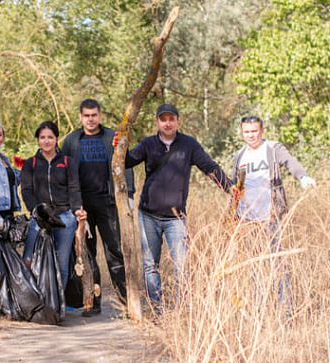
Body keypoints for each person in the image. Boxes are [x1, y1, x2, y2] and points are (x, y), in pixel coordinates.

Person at [124, 104, 233, 314]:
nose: (167, 123)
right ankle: (158, 311)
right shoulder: (148, 144)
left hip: (176, 218)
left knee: (182, 266)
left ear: (177, 121)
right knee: (150, 265)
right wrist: (120, 146)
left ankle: (181, 311)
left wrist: (229, 187)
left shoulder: (189, 145)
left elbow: (209, 167)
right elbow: (128, 161)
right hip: (148, 214)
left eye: (171, 119)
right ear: (157, 122)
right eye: (163, 119)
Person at [232, 115, 316, 308]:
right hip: (247, 220)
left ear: (261, 131)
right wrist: (233, 213)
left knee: (277, 264)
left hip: (270, 217)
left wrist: (303, 177)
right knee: (254, 266)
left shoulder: (272, 149)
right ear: (242, 132)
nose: (251, 135)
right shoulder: (240, 155)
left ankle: (286, 310)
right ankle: (259, 310)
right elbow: (234, 186)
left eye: (254, 131)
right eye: (247, 132)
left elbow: (289, 162)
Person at [61, 99, 134, 317]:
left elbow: (125, 164)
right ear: (81, 117)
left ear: (99, 115)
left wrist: (127, 194)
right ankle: (92, 303)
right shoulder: (72, 141)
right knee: (87, 255)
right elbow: (64, 173)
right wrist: (71, 205)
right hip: (83, 208)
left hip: (108, 203)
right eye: (86, 115)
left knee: (115, 252)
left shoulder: (112, 137)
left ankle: (125, 303)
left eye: (94, 115)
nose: (90, 119)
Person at [20, 121, 87, 289]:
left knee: (61, 262)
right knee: (29, 258)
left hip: (64, 216)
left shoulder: (67, 161)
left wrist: (77, 210)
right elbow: (27, 191)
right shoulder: (30, 164)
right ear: (38, 140)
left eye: (50, 137)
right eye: (42, 137)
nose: (46, 141)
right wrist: (37, 211)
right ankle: (32, 299)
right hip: (39, 217)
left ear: (57, 139)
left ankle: (58, 305)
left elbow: (74, 187)